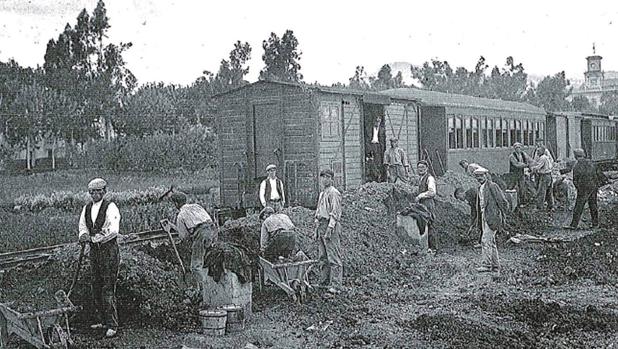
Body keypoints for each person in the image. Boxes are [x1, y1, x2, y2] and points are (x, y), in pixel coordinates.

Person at [78, 178, 121, 338]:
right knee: (95, 285)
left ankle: (112, 324)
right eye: (92, 192)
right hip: (94, 252)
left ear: (104, 191)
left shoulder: (111, 207)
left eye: (98, 191)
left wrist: (95, 238)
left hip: (108, 251)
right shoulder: (87, 208)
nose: (95, 194)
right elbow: (83, 226)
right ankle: (102, 320)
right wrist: (83, 236)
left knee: (107, 287)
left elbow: (112, 229)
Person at [162, 191, 217, 291]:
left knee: (195, 267)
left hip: (201, 235)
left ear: (176, 204)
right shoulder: (196, 206)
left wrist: (176, 228)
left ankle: (204, 291)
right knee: (208, 259)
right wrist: (173, 226)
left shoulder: (181, 216)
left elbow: (184, 237)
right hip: (213, 230)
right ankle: (211, 285)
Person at [473, 168, 510, 273]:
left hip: (492, 216)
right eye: (477, 176)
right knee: (491, 242)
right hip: (484, 216)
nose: (479, 178)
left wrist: (502, 216)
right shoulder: (480, 188)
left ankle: (486, 265)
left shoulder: (492, 186)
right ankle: (495, 265)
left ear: (486, 175)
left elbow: (502, 201)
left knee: (485, 240)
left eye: (481, 176)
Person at [314, 169, 343, 294]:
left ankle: (336, 285)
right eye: (323, 177)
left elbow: (335, 213)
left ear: (332, 179)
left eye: (327, 177)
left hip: (330, 224)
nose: (325, 179)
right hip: (321, 224)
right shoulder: (322, 194)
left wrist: (330, 228)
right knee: (322, 256)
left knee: (333, 256)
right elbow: (318, 212)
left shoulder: (334, 193)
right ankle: (324, 281)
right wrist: (316, 228)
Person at [566, 148, 600, 229]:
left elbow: (575, 180)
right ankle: (595, 224)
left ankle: (574, 225)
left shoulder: (577, 166)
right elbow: (598, 174)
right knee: (593, 205)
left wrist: (579, 188)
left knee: (579, 206)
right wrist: (596, 185)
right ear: (583, 155)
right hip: (593, 186)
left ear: (575, 156)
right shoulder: (591, 163)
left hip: (583, 188)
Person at [415, 160, 437, 253]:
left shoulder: (430, 178)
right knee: (423, 225)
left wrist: (420, 196)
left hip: (428, 204)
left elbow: (432, 192)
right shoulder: (420, 178)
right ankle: (426, 247)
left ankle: (433, 248)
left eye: (423, 168)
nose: (421, 169)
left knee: (430, 224)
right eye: (419, 168)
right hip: (422, 205)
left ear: (427, 169)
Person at [530, 145, 554, 211]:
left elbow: (538, 167)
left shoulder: (542, 158)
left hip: (544, 176)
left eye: (538, 151)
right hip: (549, 175)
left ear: (542, 151)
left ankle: (539, 207)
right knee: (549, 191)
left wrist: (531, 169)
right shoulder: (546, 157)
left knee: (541, 191)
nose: (537, 152)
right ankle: (551, 206)